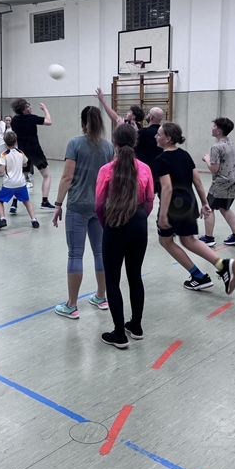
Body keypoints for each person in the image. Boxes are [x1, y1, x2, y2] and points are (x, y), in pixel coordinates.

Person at [154, 122, 235, 294]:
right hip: (189, 204)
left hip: (173, 207)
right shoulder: (185, 155)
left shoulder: (161, 159)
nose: (156, 136)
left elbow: (167, 188)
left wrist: (163, 215)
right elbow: (197, 180)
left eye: (159, 134)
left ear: (167, 138)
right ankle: (222, 265)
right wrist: (204, 203)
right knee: (188, 240)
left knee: (165, 241)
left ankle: (198, 276)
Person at [95, 124, 154, 349]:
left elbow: (99, 204)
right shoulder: (145, 169)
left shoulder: (106, 170)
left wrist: (107, 226)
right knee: (135, 276)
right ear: (135, 142)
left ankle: (119, 333)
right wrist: (139, 218)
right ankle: (136, 326)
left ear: (115, 144)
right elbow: (149, 201)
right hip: (139, 223)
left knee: (112, 280)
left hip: (115, 223)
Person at [52, 106, 114, 319]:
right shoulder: (108, 147)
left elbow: (67, 177)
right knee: (100, 253)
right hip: (100, 207)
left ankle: (71, 305)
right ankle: (101, 297)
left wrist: (58, 203)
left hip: (78, 206)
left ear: (82, 123)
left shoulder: (75, 144)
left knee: (75, 254)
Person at [199, 117, 235, 247]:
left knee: (208, 207)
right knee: (225, 207)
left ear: (219, 131)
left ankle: (209, 238)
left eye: (214, 126)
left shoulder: (216, 147)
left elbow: (214, 168)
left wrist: (207, 159)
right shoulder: (231, 143)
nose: (212, 128)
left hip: (222, 181)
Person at [10, 98, 53, 210]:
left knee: (22, 177)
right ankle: (45, 202)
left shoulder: (14, 120)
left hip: (22, 151)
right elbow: (49, 121)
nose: (30, 107)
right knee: (47, 175)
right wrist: (45, 109)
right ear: (23, 109)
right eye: (28, 106)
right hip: (34, 151)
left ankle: (14, 203)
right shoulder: (31, 118)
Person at [0, 131, 39, 230]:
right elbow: (25, 163)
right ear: (16, 141)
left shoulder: (4, 155)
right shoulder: (20, 152)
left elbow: (2, 170)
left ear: (5, 142)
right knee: (27, 201)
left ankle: (2, 219)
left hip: (9, 183)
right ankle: (34, 220)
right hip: (21, 182)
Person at [136, 107, 165, 194]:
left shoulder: (143, 133)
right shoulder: (164, 134)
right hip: (159, 170)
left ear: (151, 117)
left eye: (148, 113)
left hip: (145, 171)